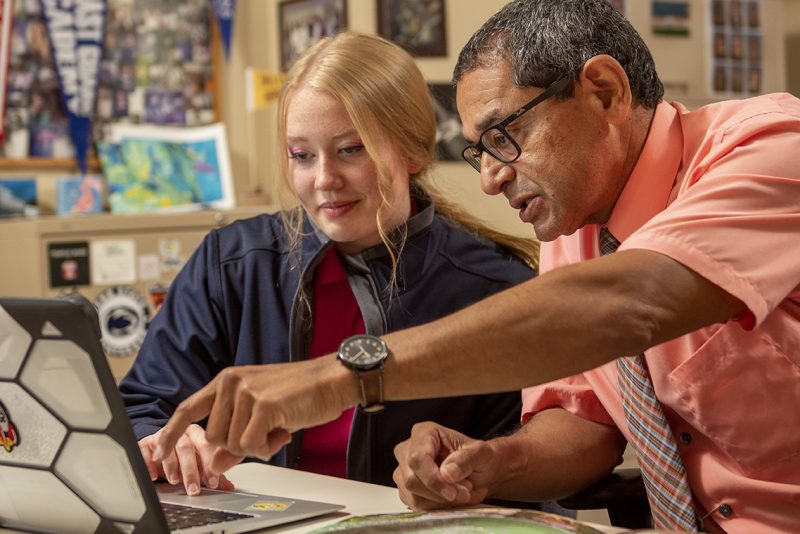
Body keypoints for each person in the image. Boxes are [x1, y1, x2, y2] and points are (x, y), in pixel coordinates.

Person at [153, 1, 800, 532]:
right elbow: (585, 425)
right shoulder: (574, 228)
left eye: (503, 137)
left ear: (604, 91)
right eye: (477, 150)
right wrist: (492, 464)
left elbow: (632, 301)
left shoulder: (773, 148)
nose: (489, 179)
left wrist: (339, 377)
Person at [121, 31, 540, 500]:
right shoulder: (231, 263)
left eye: (350, 149)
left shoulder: (495, 285)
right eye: (301, 155)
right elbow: (143, 402)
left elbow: (526, 471)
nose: (324, 179)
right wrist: (161, 439)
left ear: (413, 151)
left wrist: (464, 478)